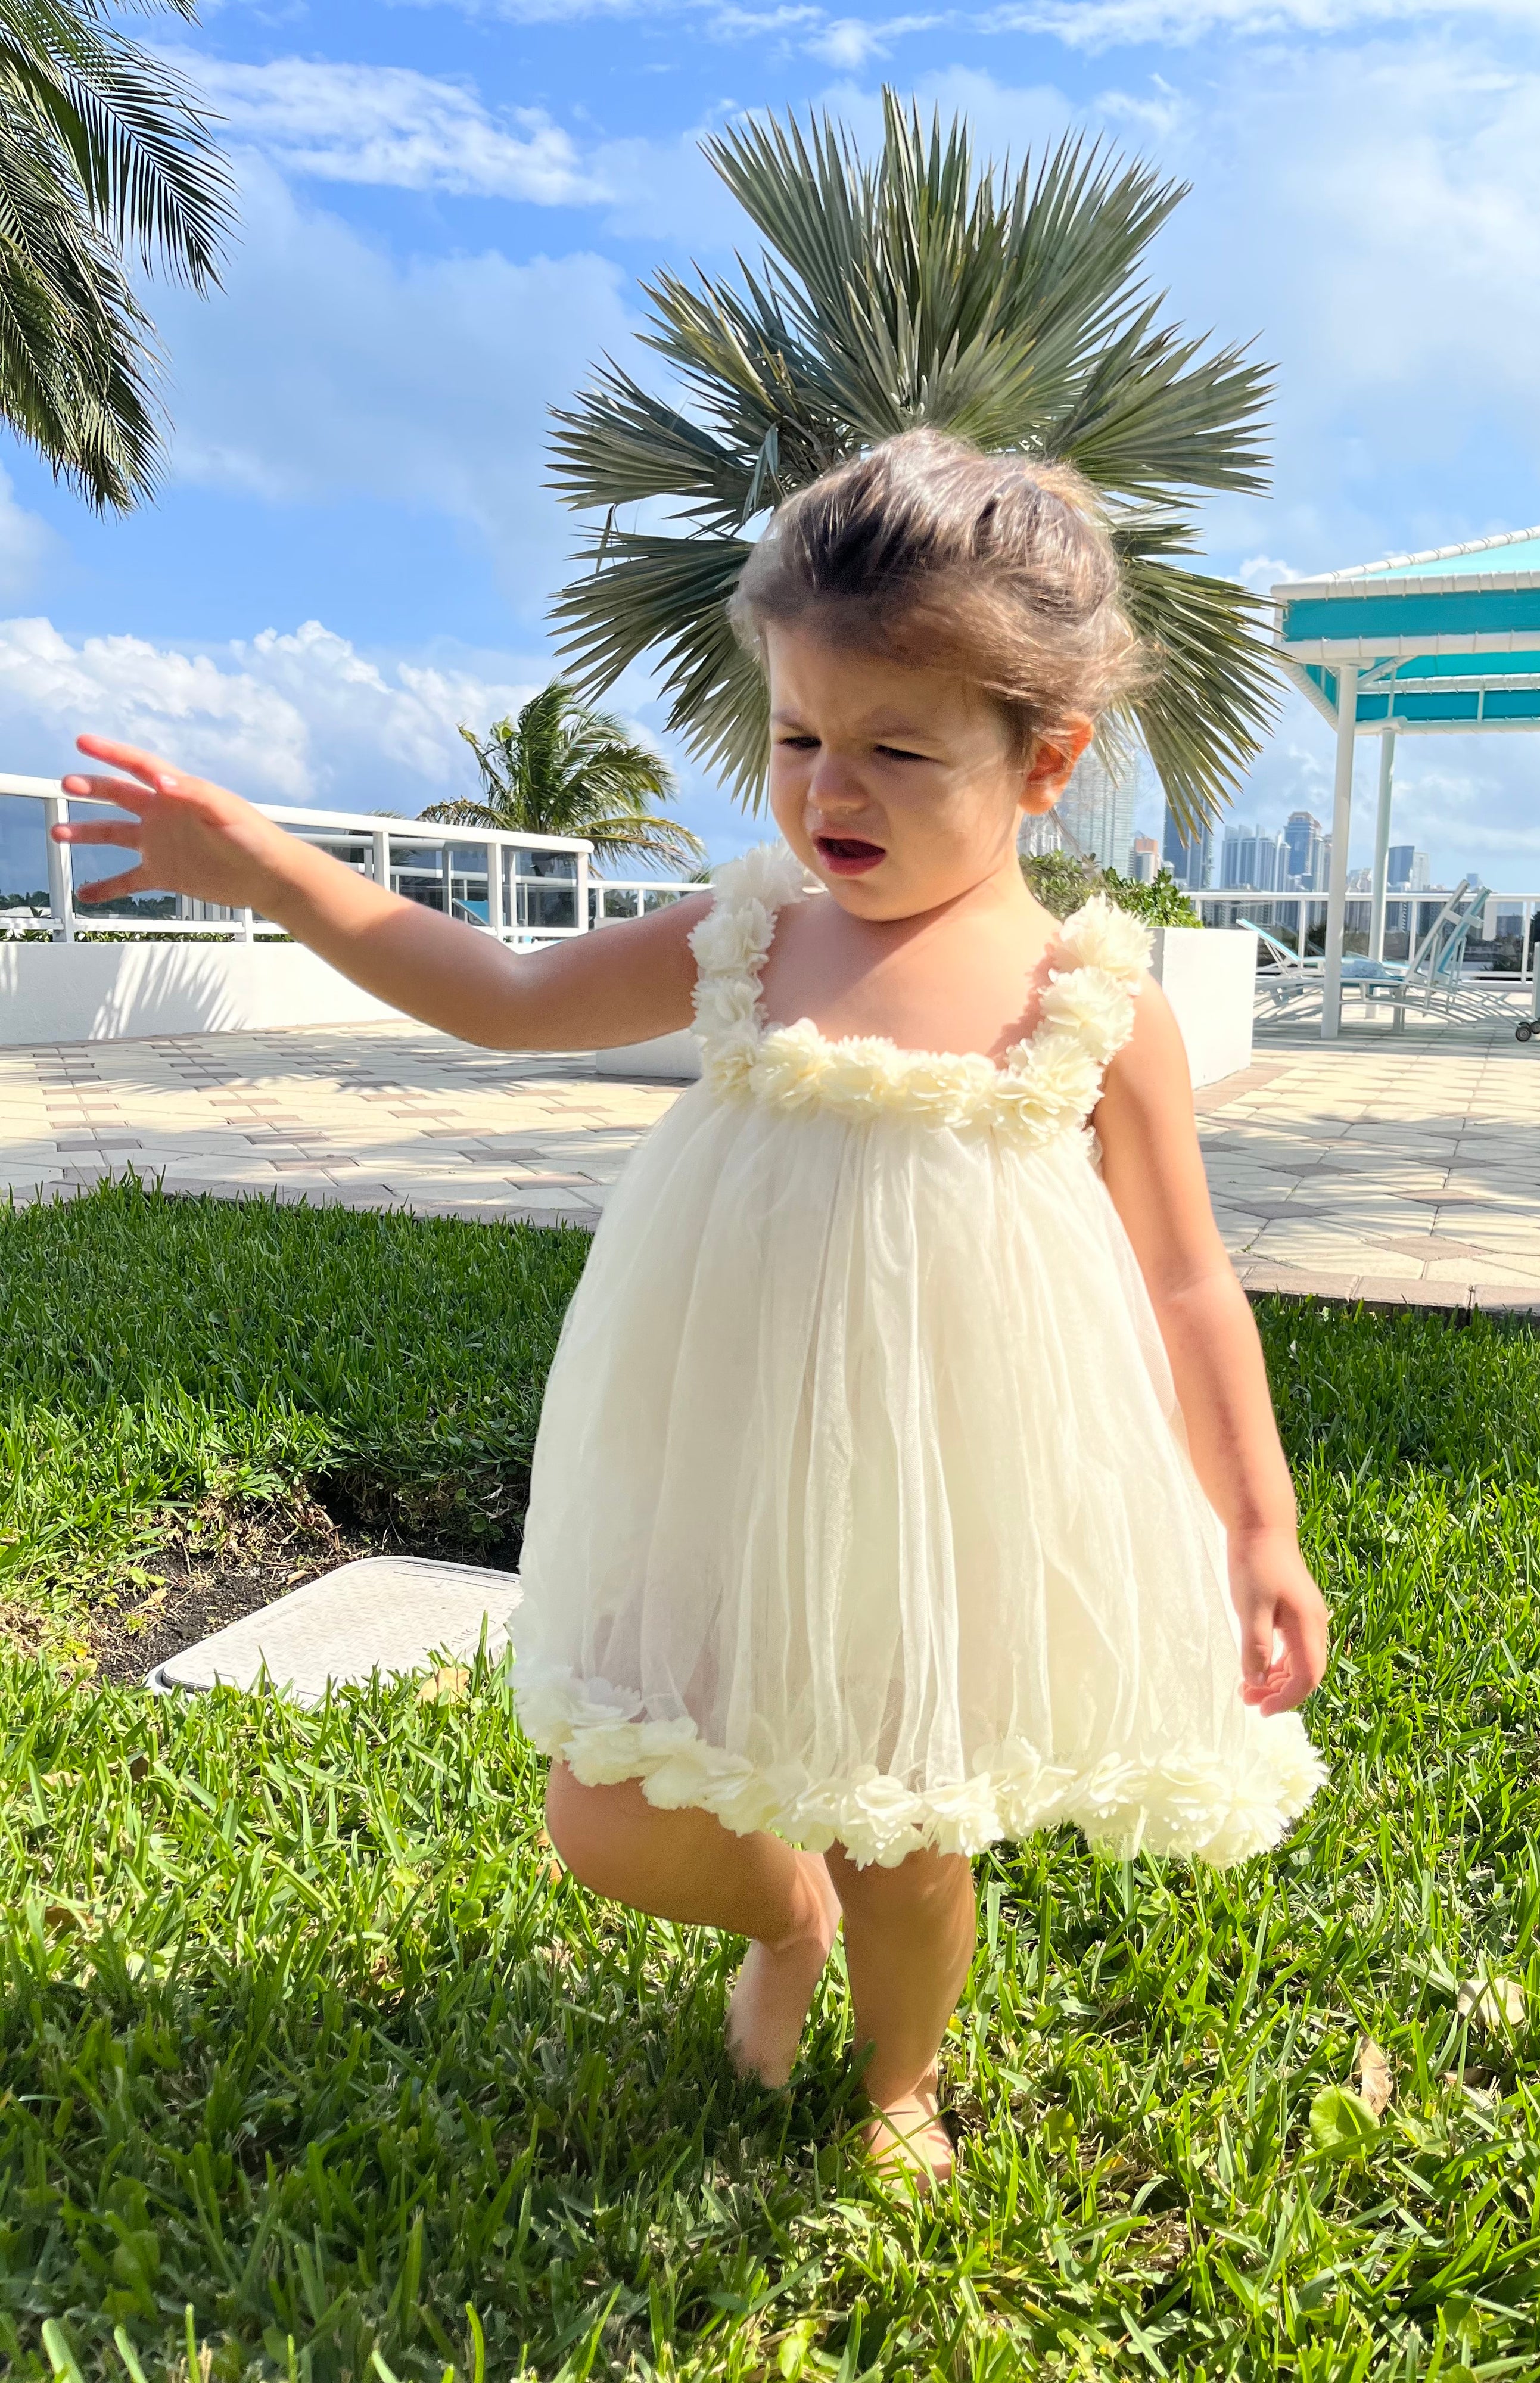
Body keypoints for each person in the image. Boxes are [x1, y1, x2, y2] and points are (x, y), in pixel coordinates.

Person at [57, 429, 1329, 2188]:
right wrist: (282, 876)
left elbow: (1189, 1282)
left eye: (899, 750)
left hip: (946, 1488)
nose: (834, 793)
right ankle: (778, 1917)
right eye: (800, 738)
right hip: (725, 1459)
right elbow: (502, 991)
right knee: (614, 1812)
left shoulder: (1091, 999)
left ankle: (898, 2080)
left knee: (912, 1838)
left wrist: (1256, 1522)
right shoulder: (751, 931)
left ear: (1046, 762)